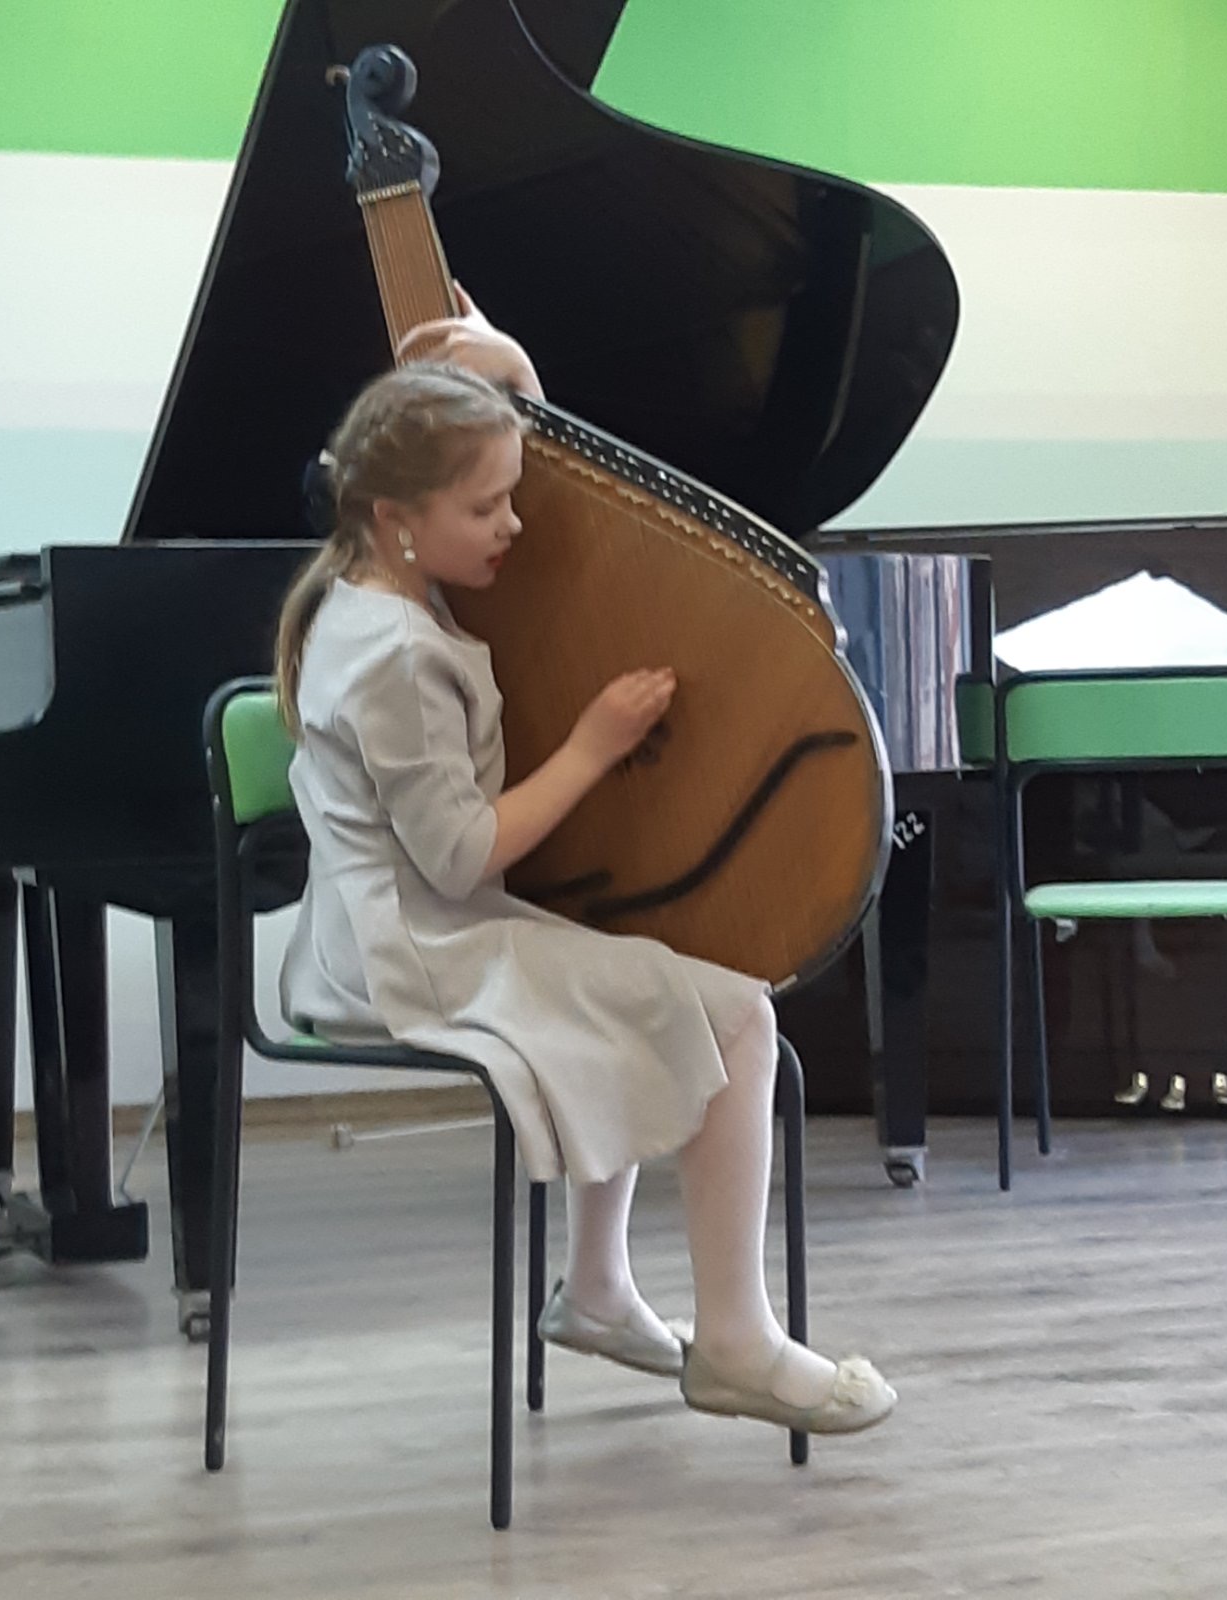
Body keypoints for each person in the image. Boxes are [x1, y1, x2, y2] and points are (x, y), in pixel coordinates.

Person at [273, 289, 896, 1436]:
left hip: (395, 931)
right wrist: (592, 748)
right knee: (737, 1015)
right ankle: (736, 1342)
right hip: (414, 955)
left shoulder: (374, 589)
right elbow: (460, 858)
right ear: (400, 517)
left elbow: (553, 488)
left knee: (632, 960)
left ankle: (601, 1290)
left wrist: (511, 361)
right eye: (488, 507)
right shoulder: (394, 652)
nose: (514, 524)